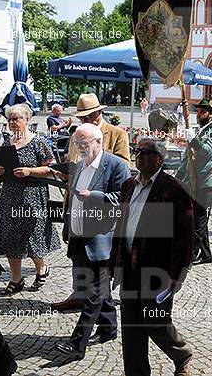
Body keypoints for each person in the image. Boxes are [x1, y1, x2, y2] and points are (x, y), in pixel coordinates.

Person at [110, 138, 196, 376]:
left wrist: (177, 276)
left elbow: (185, 237)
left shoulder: (174, 189)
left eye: (144, 152)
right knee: (131, 325)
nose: (137, 155)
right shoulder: (129, 185)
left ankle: (182, 353)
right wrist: (114, 263)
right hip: (129, 266)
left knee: (155, 321)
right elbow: (121, 226)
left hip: (158, 270)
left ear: (158, 159)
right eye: (136, 151)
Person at [54, 124, 130, 360]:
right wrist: (68, 227)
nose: (80, 148)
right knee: (97, 290)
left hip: (102, 240)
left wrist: (94, 197)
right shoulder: (79, 166)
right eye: (77, 144)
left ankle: (78, 344)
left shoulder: (116, 165)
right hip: (78, 237)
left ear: (99, 142)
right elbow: (71, 200)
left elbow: (124, 200)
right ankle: (108, 329)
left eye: (84, 144)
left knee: (93, 293)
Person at [52, 93, 131, 313]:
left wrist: (94, 190)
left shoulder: (116, 134)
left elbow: (122, 170)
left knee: (98, 257)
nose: (84, 120)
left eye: (88, 116)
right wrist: (65, 174)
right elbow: (72, 164)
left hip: (100, 208)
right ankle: (79, 295)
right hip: (76, 205)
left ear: (98, 113)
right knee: (77, 254)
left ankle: (99, 308)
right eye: (81, 117)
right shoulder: (76, 135)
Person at [0, 104, 61, 295]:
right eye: (10, 119)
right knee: (11, 235)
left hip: (32, 196)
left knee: (32, 236)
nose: (13, 123)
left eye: (17, 119)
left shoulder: (38, 142)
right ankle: (16, 279)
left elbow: (53, 168)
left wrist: (31, 171)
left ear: (27, 120)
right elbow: (1, 168)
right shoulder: (7, 143)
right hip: (9, 196)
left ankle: (42, 267)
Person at [175, 98, 212, 265]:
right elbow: (186, 159)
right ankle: (206, 254)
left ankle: (193, 253)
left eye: (203, 112)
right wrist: (178, 177)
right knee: (197, 217)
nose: (199, 115)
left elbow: (207, 151)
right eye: (198, 111)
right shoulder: (197, 131)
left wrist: (193, 139)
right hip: (193, 180)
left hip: (207, 180)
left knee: (199, 217)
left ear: (211, 114)